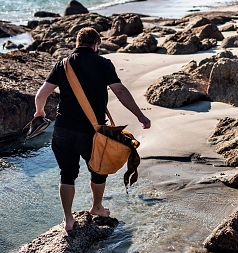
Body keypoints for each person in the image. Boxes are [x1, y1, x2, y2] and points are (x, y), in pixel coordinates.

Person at [33, 27, 151, 232]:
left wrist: (39, 113)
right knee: (98, 170)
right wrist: (140, 115)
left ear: (77, 43)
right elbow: (120, 91)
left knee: (67, 174)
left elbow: (41, 94)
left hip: (63, 128)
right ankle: (96, 207)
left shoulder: (63, 64)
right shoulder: (103, 63)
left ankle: (68, 219)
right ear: (96, 45)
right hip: (91, 131)